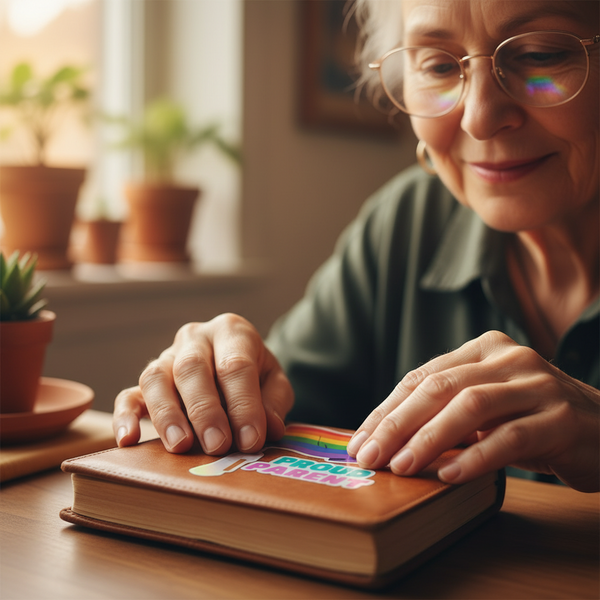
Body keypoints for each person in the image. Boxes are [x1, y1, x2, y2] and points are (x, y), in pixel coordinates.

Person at [113, 0, 600, 493]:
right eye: (438, 65)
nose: (478, 118)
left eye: (540, 56)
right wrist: (220, 382)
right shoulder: (406, 221)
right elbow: (277, 414)